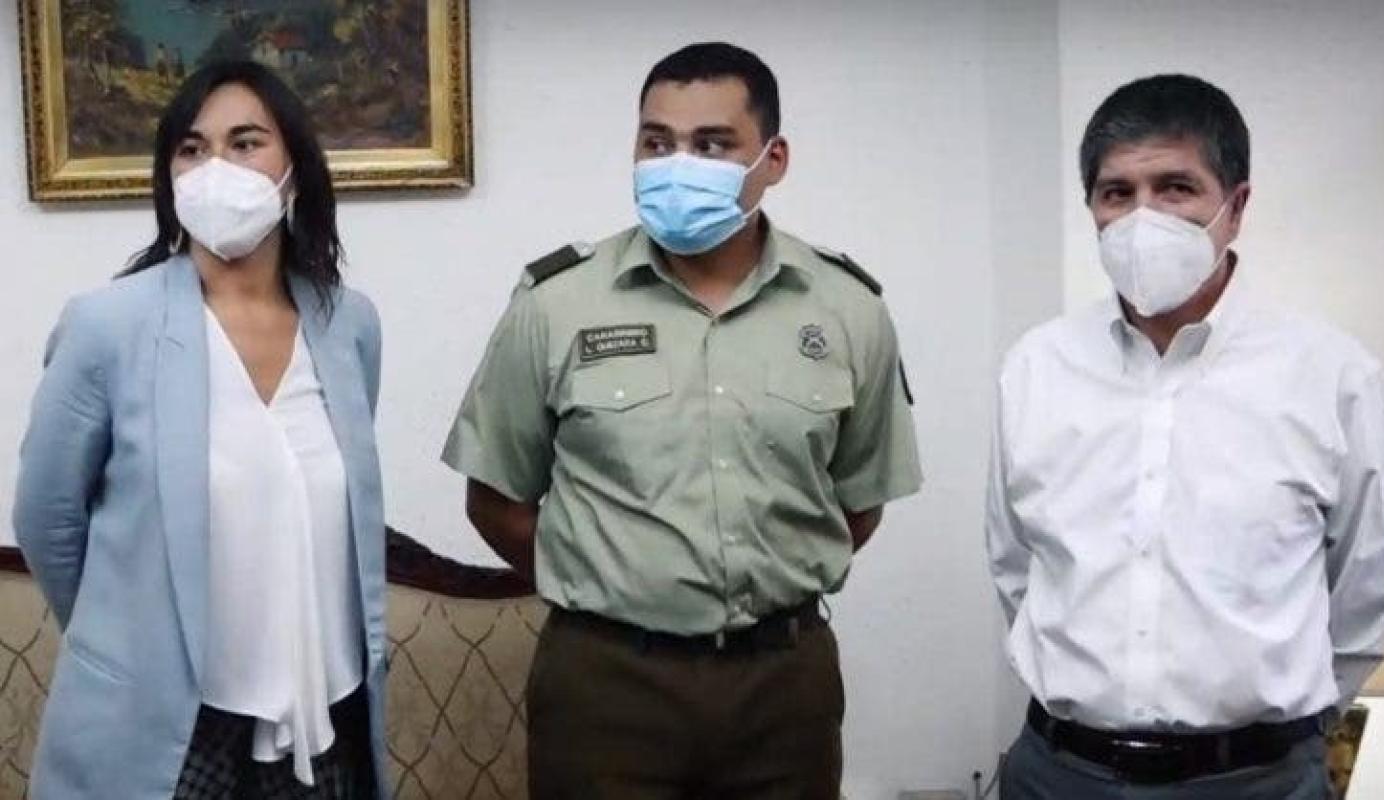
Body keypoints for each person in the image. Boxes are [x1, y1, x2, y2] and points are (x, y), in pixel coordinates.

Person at [442, 42, 921, 799]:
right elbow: (495, 499)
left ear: (772, 159)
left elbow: (860, 503)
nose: (677, 165)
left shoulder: (846, 308)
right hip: (606, 686)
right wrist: (613, 589)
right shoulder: (556, 303)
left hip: (783, 687)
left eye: (712, 144)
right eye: (657, 142)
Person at [986, 74, 1384, 799]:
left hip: (1257, 780)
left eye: (1176, 188)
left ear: (1235, 207)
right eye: (1116, 193)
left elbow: (1368, 592)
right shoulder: (1036, 367)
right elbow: (1015, 564)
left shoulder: (1332, 375)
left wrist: (1277, 731)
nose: (1142, 217)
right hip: (1060, 772)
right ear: (1091, 208)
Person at [13, 60, 388, 800]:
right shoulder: (108, 326)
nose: (217, 167)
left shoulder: (348, 323)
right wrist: (127, 637)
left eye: (246, 143)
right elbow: (47, 519)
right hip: (169, 725)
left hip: (324, 713)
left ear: (295, 168)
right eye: (192, 148)